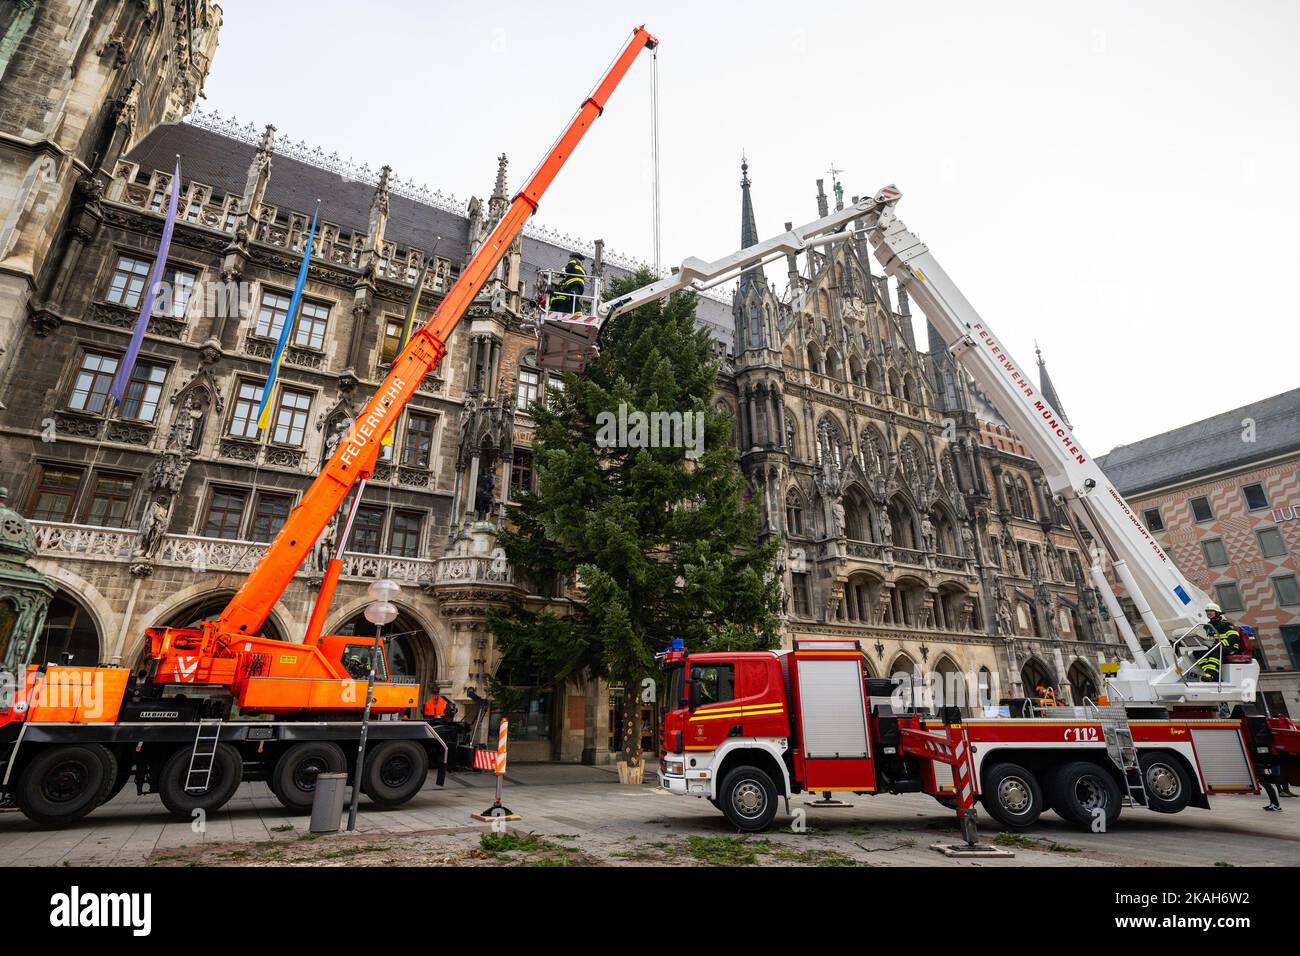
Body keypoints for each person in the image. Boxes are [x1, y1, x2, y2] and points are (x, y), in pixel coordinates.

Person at [1200, 602, 1244, 683]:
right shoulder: (1207, 626)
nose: (1208, 613)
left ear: (1217, 613)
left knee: (1216, 649)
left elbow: (1234, 638)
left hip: (1230, 648)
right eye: (1207, 611)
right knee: (1198, 652)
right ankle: (1214, 674)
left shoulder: (1226, 624)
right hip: (1216, 647)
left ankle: (1210, 674)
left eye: (1211, 611)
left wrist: (1221, 643)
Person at [548, 251, 587, 315]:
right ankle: (577, 313)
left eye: (570, 258)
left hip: (573, 285)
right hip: (579, 286)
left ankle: (578, 314)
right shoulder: (583, 269)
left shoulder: (572, 263)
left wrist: (560, 274)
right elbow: (585, 277)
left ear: (573, 258)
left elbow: (566, 272)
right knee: (573, 298)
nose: (568, 260)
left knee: (572, 298)